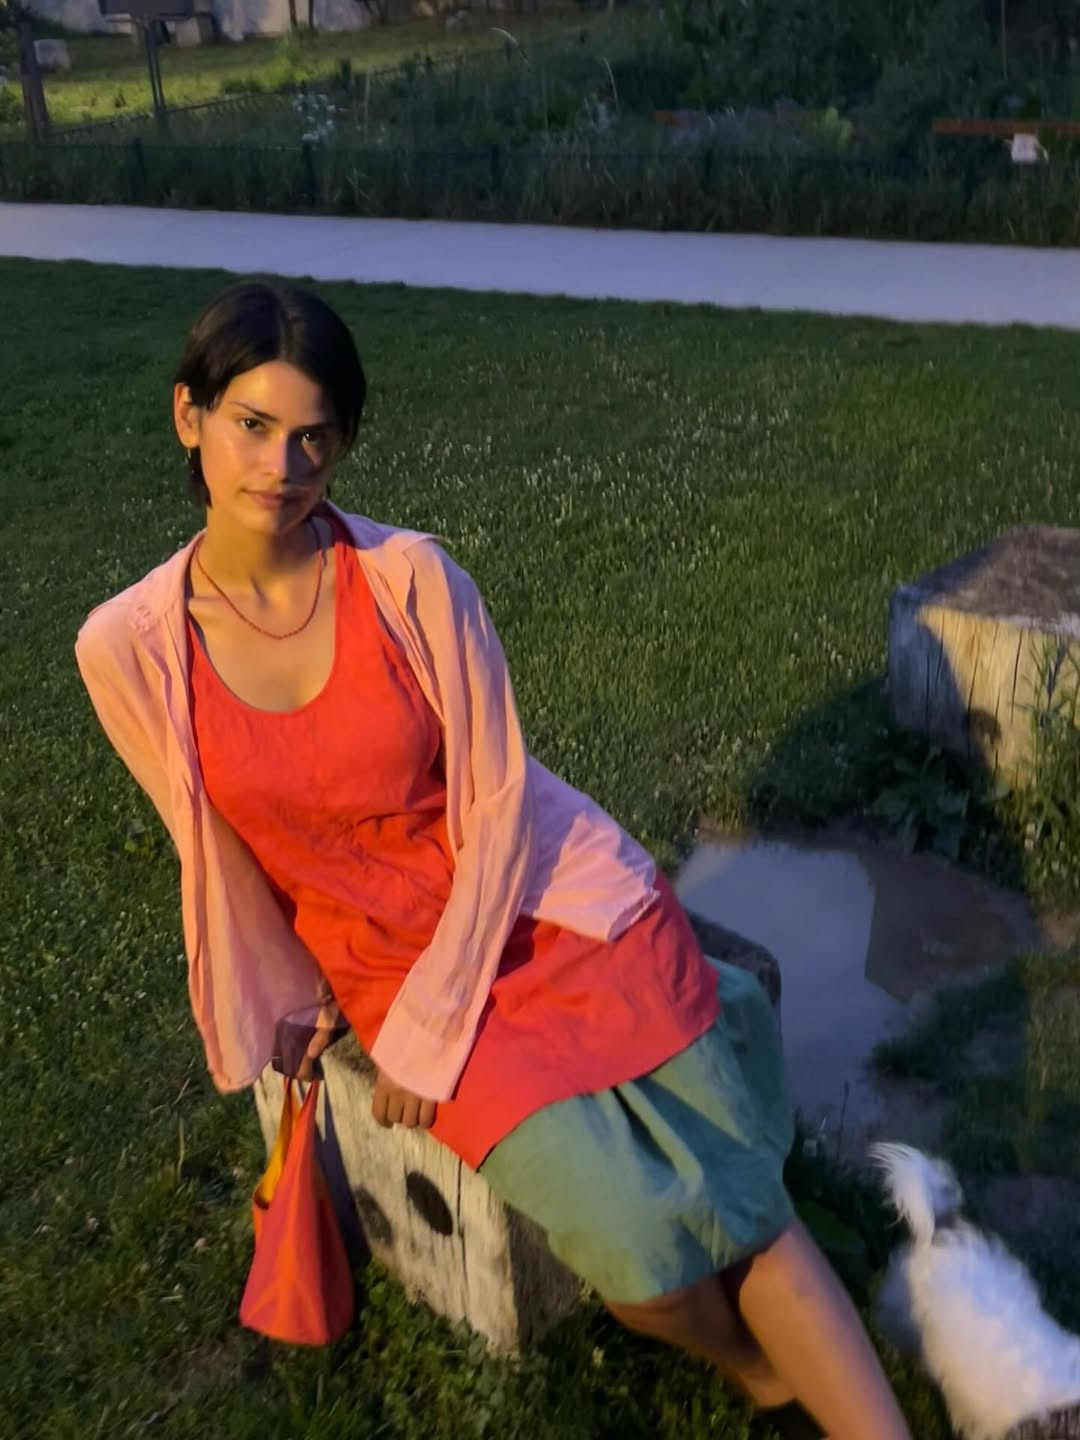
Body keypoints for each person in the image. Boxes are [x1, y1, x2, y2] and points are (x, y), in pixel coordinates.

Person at [75, 281, 912, 1440]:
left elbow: (500, 801)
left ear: (345, 442)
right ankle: (755, 1373)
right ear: (190, 416)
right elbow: (209, 847)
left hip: (549, 905)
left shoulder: (411, 580)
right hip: (390, 963)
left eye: (315, 434)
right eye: (252, 425)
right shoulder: (129, 647)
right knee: (639, 1252)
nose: (283, 465)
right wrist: (308, 996)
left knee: (746, 1201)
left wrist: (432, 1021)